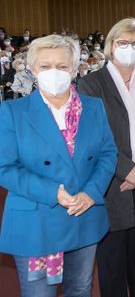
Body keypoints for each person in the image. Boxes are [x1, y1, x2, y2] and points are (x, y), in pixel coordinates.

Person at [0, 34, 118, 296]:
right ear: (32, 69)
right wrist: (52, 192)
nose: (54, 72)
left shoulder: (94, 107)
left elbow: (108, 154)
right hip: (37, 219)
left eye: (62, 66)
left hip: (83, 214)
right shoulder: (12, 112)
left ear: (75, 69)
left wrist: (91, 192)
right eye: (45, 66)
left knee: (80, 288)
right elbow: (5, 168)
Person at [77, 18, 135, 297]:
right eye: (123, 43)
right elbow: (93, 138)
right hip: (111, 184)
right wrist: (128, 170)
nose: (129, 48)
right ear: (111, 45)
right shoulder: (91, 84)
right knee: (112, 260)